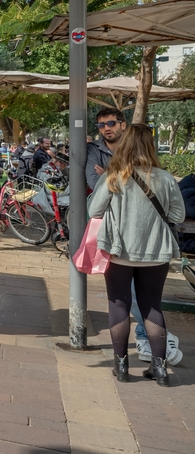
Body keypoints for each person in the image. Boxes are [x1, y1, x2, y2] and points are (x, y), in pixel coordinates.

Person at [88, 125, 185, 386]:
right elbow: (177, 216)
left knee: (118, 304)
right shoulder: (165, 178)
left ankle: (121, 366)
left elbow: (94, 211)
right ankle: (160, 369)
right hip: (157, 251)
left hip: (120, 251)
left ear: (125, 144)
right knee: (152, 305)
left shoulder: (114, 175)